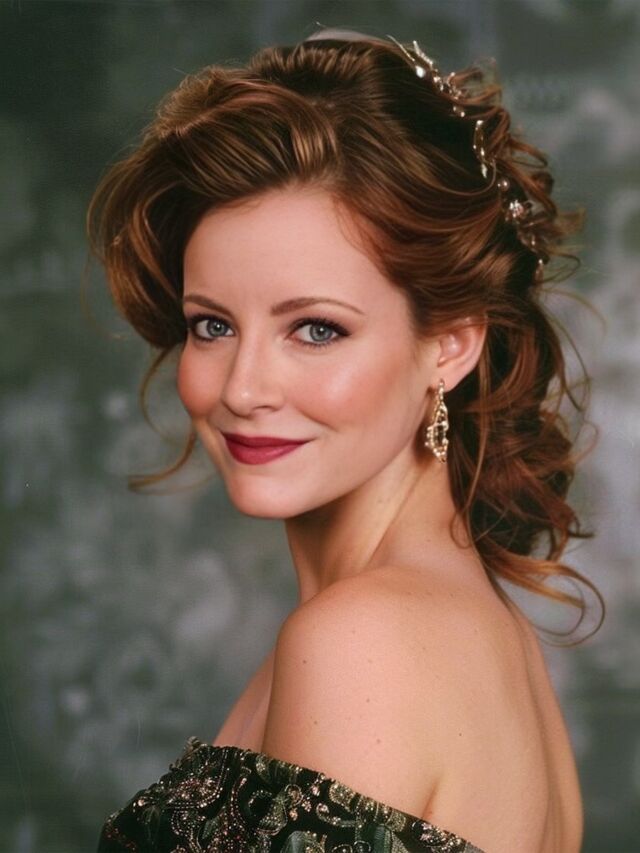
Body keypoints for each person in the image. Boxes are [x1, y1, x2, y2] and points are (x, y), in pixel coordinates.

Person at [88, 25, 603, 853]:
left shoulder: (362, 641)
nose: (243, 387)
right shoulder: (481, 632)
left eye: (317, 329)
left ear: (450, 346)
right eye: (213, 324)